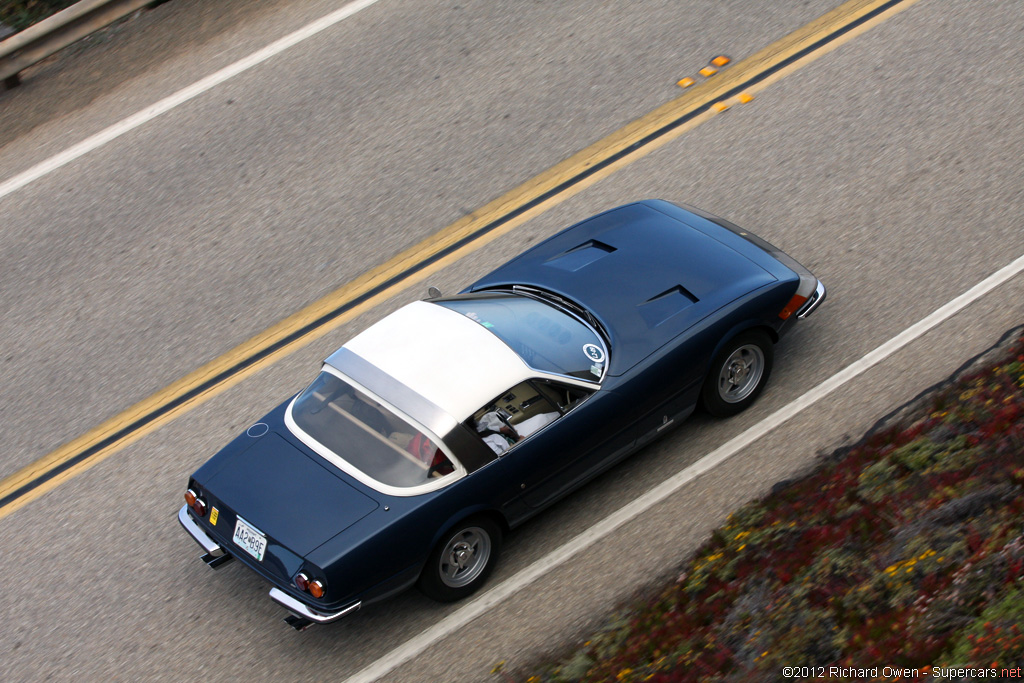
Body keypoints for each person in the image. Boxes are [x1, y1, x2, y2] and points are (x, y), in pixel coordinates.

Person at [476, 410, 558, 455]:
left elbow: (482, 428)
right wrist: (519, 443)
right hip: (516, 448)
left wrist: (501, 430)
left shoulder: (473, 430)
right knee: (542, 420)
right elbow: (504, 457)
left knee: (540, 417)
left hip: (510, 437)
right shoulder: (486, 446)